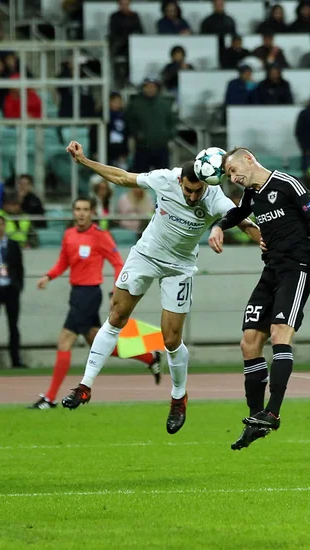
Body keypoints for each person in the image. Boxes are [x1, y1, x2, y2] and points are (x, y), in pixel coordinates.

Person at [60, 141, 261, 435]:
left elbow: (245, 223)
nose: (193, 196)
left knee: (170, 339)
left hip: (179, 267)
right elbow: (123, 177)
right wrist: (85, 161)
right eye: (188, 190)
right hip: (145, 255)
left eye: (198, 191)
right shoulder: (165, 178)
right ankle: (85, 386)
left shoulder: (214, 196)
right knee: (116, 317)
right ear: (180, 180)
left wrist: (268, 243)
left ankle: (178, 398)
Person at [208, 148, 310, 451]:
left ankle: (273, 412)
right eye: (229, 175)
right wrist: (218, 226)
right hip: (271, 269)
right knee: (249, 342)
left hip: (297, 267)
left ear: (249, 159)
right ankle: (255, 420)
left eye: (234, 169)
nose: (234, 177)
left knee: (279, 333)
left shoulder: (286, 184)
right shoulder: (253, 194)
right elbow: (239, 213)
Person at [29, 198, 162, 410]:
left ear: (92, 212)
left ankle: (50, 398)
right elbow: (64, 262)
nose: (81, 213)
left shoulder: (100, 236)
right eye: (77, 209)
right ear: (73, 212)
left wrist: (115, 291)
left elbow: (119, 262)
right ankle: (150, 357)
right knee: (100, 344)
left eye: (85, 210)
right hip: (76, 293)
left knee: (64, 340)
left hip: (89, 295)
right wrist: (49, 276)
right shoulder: (69, 235)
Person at [0, 214, 26, 370]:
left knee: (13, 326)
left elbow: (20, 267)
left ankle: (16, 360)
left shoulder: (13, 245)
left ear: (5, 226)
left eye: (0, 224)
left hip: (11, 289)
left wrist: (18, 285)